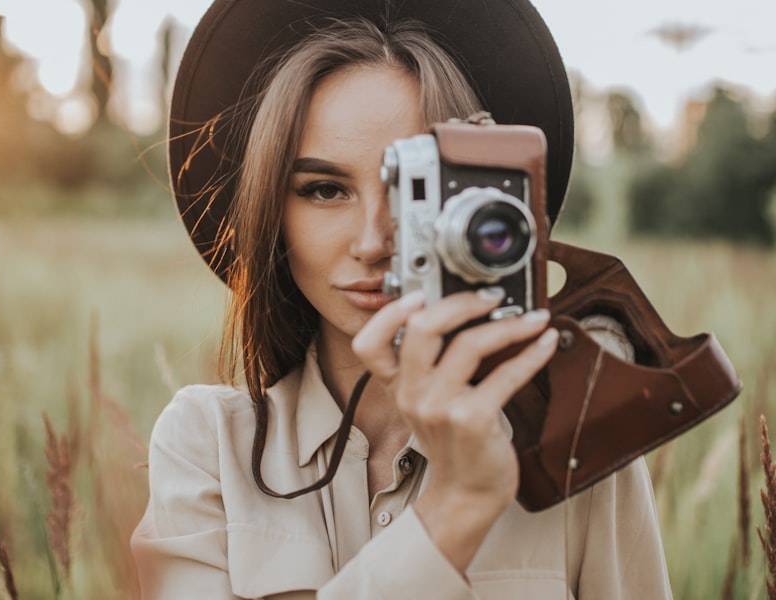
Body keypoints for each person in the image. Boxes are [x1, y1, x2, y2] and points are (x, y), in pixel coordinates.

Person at [131, 1, 672, 598]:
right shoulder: (207, 446)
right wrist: (454, 511)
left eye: (414, 194)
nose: (372, 242)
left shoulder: (579, 451)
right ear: (272, 214)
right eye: (326, 189)